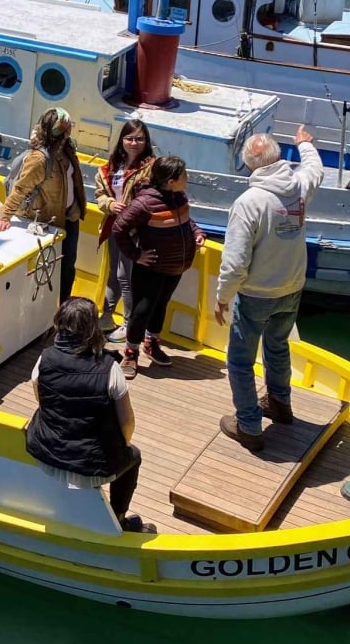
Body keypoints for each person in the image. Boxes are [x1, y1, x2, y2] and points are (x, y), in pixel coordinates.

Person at [213, 127, 323, 452]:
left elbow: (234, 263)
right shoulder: (298, 187)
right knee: (277, 346)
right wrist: (304, 145)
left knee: (240, 360)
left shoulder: (250, 202)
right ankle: (280, 404)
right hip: (292, 289)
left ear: (250, 165)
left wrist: (222, 297)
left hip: (257, 294)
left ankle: (248, 425)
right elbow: (315, 170)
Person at [25, 298, 152, 533]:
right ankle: (118, 520)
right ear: (92, 328)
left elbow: (40, 399)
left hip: (47, 452)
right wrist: (122, 445)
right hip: (91, 464)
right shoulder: (110, 368)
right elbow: (127, 422)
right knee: (133, 456)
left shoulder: (45, 358)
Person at [111, 155, 204, 381]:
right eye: (183, 175)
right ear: (170, 180)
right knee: (141, 311)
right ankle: (130, 353)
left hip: (175, 267)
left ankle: (152, 343)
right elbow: (118, 229)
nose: (187, 178)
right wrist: (136, 254)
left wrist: (196, 232)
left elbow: (186, 220)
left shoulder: (179, 197)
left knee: (161, 305)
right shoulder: (144, 203)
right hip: (150, 268)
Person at [0, 107, 86, 305]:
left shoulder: (67, 149)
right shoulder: (39, 158)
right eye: (67, 127)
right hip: (49, 223)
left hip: (70, 217)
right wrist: (4, 216)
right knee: (49, 270)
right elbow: (20, 189)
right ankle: (48, 311)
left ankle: (64, 306)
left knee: (68, 266)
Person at [94, 120, 154, 343]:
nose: (134, 142)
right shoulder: (112, 165)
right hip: (113, 226)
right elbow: (99, 194)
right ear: (121, 140)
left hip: (135, 231)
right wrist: (109, 204)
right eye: (130, 138)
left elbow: (152, 199)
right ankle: (108, 316)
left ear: (146, 141)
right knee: (113, 274)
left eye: (139, 138)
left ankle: (129, 324)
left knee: (125, 276)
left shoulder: (151, 167)